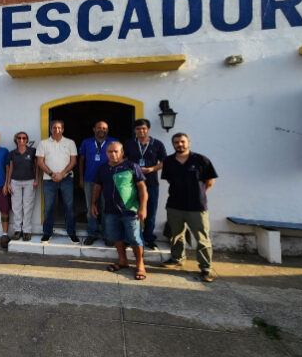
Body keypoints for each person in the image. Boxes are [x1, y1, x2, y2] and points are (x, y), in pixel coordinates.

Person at [160, 133, 218, 283]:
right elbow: (169, 179)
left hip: (196, 207)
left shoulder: (201, 160)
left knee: (202, 238)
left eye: (182, 142)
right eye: (176, 142)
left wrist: (198, 195)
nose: (180, 144)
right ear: (173, 144)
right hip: (174, 205)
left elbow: (209, 181)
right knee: (176, 235)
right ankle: (177, 259)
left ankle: (206, 268)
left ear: (189, 143)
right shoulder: (168, 161)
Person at [91, 142, 148, 280]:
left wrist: (143, 207)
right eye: (110, 151)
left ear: (122, 152)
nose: (113, 154)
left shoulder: (131, 166)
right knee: (116, 237)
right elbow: (97, 187)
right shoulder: (103, 168)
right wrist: (93, 204)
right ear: (106, 153)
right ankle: (123, 261)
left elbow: (142, 189)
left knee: (135, 239)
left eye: (116, 151)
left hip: (130, 211)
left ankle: (140, 265)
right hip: (110, 211)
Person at [123, 119, 167, 250]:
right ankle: (130, 238)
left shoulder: (157, 144)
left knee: (151, 212)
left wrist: (152, 169)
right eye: (138, 129)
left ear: (148, 129)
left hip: (151, 182)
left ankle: (148, 238)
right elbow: (123, 159)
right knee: (131, 211)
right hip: (132, 183)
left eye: (143, 128)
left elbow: (165, 161)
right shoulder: (129, 143)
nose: (140, 131)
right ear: (134, 131)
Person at [36, 120, 79, 243]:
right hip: (49, 180)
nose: (57, 130)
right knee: (49, 207)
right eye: (54, 127)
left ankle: (71, 232)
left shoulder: (70, 143)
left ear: (63, 129)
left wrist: (62, 174)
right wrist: (52, 174)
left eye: (59, 128)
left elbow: (73, 162)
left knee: (69, 207)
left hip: (66, 179)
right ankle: (47, 233)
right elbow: (40, 162)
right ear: (51, 129)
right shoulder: (43, 143)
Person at [79, 120, 116, 245]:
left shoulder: (114, 142)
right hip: (90, 180)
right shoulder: (86, 142)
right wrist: (80, 178)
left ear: (107, 130)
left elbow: (120, 159)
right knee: (91, 208)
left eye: (104, 128)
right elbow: (81, 160)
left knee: (107, 208)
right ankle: (92, 233)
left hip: (108, 181)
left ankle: (107, 235)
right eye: (99, 127)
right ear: (94, 129)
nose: (102, 130)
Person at [6, 131, 39, 241]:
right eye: (19, 138)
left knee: (28, 206)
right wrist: (8, 183)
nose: (21, 140)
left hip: (30, 181)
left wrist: (36, 179)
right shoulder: (12, 153)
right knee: (16, 207)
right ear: (16, 140)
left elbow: (37, 167)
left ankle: (27, 231)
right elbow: (10, 168)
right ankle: (17, 230)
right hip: (15, 181)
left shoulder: (32, 151)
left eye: (24, 138)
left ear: (27, 139)